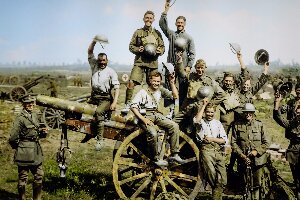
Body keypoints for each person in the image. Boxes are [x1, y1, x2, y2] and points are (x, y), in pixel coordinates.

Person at [130, 71, 184, 166]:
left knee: (174, 126)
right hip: (145, 115)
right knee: (153, 133)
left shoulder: (160, 90)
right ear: (149, 81)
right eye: (154, 81)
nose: (156, 83)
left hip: (156, 114)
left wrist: (172, 83)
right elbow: (133, 106)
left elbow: (175, 96)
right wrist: (144, 119)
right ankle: (155, 158)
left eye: (158, 81)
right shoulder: (142, 92)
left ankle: (175, 153)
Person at [174, 53, 225, 135]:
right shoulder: (191, 76)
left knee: (195, 129)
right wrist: (180, 61)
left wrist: (210, 104)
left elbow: (221, 94)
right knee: (174, 121)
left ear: (205, 68)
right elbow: (181, 73)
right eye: (198, 68)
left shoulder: (209, 80)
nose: (200, 70)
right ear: (195, 68)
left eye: (202, 68)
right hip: (187, 106)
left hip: (199, 108)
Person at [8, 94, 48, 200]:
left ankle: (37, 198)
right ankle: (22, 198)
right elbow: (12, 138)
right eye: (27, 103)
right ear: (23, 104)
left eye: (32, 102)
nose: (30, 105)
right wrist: (20, 147)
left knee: (39, 175)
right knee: (23, 177)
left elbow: (36, 132)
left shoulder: (35, 115)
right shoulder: (20, 119)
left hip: (36, 150)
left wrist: (43, 133)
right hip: (24, 152)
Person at [83, 39, 120, 150]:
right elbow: (89, 51)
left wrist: (114, 102)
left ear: (107, 61)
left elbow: (117, 88)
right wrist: (94, 41)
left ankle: (100, 140)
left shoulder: (111, 72)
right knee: (81, 109)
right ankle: (90, 132)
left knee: (99, 112)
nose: (102, 62)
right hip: (94, 96)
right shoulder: (94, 66)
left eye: (104, 60)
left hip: (105, 98)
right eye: (100, 60)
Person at [159, 0, 195, 108]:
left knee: (184, 88)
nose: (179, 24)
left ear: (184, 24)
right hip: (171, 64)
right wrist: (165, 10)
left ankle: (182, 112)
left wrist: (189, 66)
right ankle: (170, 111)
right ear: (175, 24)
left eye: (181, 23)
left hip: (183, 67)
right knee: (169, 86)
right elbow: (162, 25)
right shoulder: (171, 34)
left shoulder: (189, 37)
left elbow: (192, 53)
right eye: (178, 23)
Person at [230, 103, 270, 200]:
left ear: (253, 113)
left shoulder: (260, 124)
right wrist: (242, 156)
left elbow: (266, 142)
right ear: (243, 113)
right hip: (243, 160)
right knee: (245, 184)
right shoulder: (237, 125)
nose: (248, 114)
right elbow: (233, 143)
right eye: (246, 112)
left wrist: (256, 151)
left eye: (250, 112)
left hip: (258, 160)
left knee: (257, 184)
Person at [125, 10, 165, 105]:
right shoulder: (138, 32)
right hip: (140, 62)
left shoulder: (157, 33)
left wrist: (160, 51)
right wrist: (138, 49)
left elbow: (162, 47)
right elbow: (131, 46)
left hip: (152, 63)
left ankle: (153, 104)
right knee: (131, 82)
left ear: (153, 20)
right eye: (147, 18)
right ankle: (127, 104)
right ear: (143, 19)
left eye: (150, 18)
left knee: (154, 84)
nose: (148, 20)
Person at [194, 98, 228, 200]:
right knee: (212, 176)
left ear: (214, 112)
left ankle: (216, 196)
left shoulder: (217, 123)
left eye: (212, 112)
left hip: (218, 151)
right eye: (208, 112)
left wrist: (213, 138)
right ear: (204, 112)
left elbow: (224, 140)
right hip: (206, 150)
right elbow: (197, 120)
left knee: (223, 179)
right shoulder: (201, 123)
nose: (209, 114)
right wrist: (204, 105)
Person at [273, 93, 300, 199]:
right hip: (294, 149)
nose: (299, 115)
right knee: (296, 176)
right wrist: (277, 103)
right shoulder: (291, 123)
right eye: (297, 113)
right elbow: (278, 117)